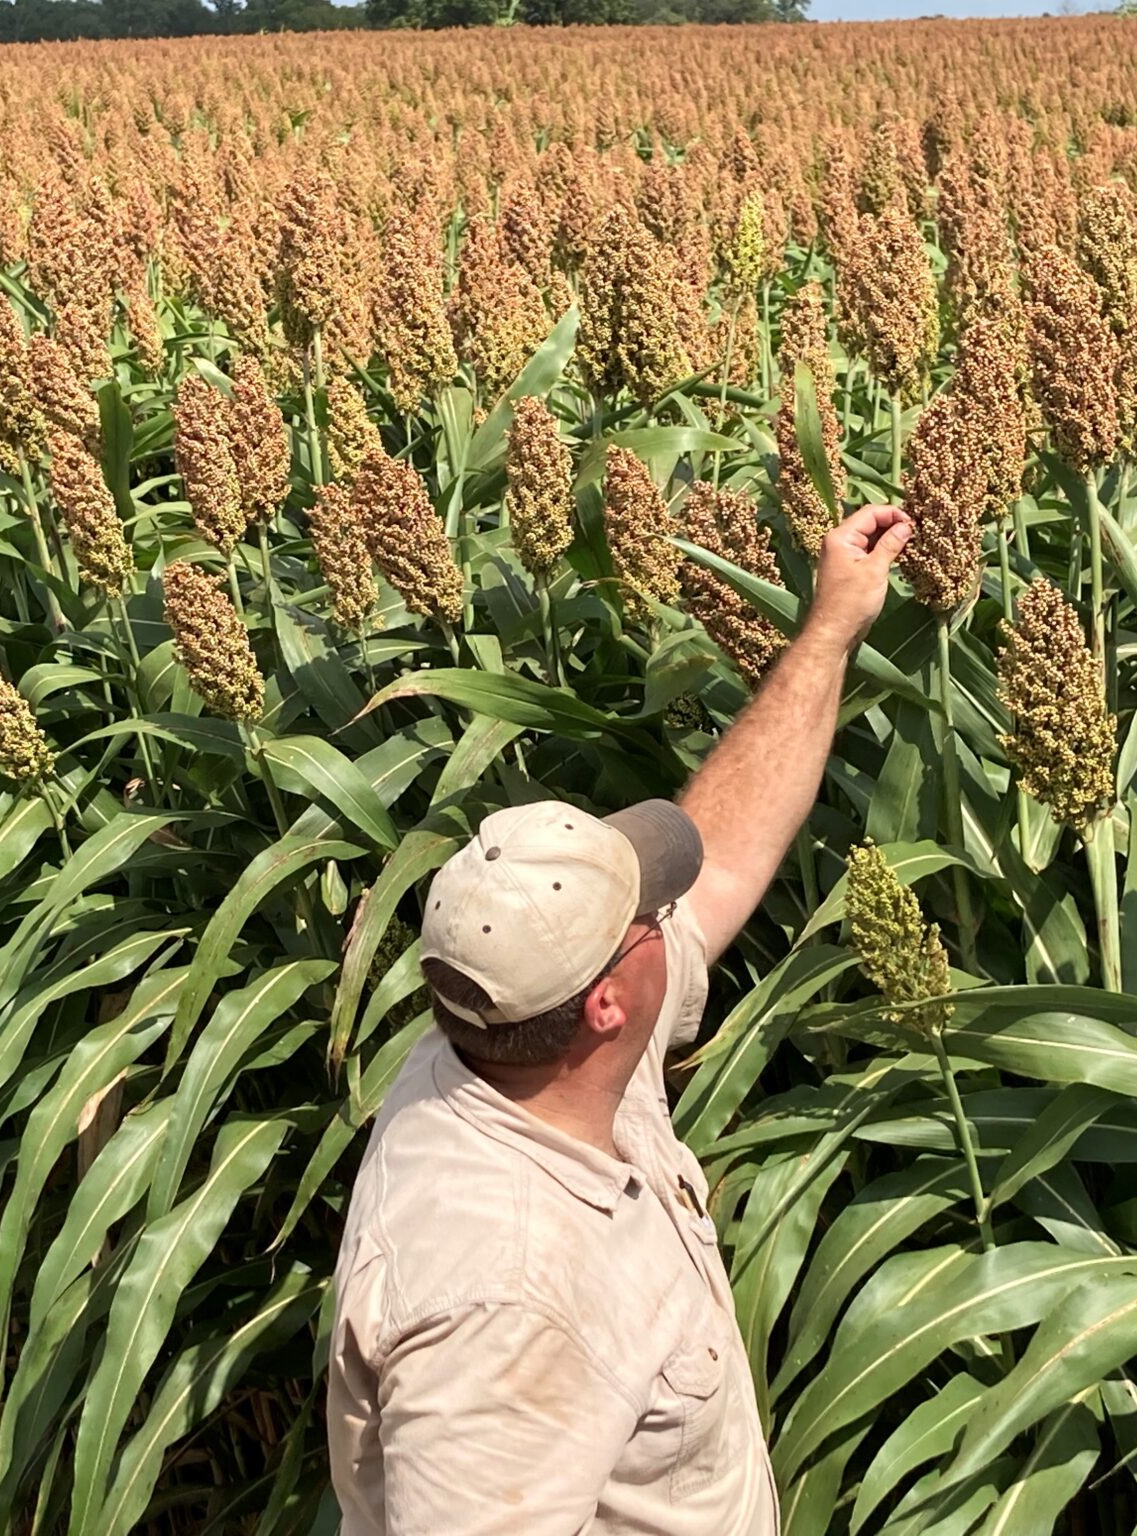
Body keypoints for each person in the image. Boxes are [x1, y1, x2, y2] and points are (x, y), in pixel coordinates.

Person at [325, 503, 915, 1533]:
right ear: (606, 1001)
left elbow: (720, 857)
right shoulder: (502, 1300)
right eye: (647, 914)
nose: (669, 916)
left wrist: (827, 632)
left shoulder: (514, 1053)